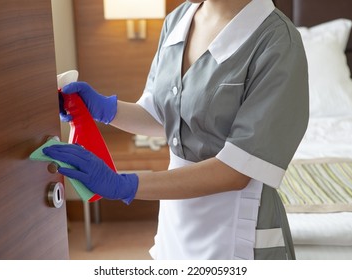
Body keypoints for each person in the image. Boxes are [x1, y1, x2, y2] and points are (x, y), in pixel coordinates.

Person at [44, 0, 309, 260]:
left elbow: (236, 170)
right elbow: (165, 116)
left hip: (234, 225)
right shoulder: (179, 20)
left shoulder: (277, 42)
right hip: (177, 219)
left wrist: (125, 185)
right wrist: (105, 109)